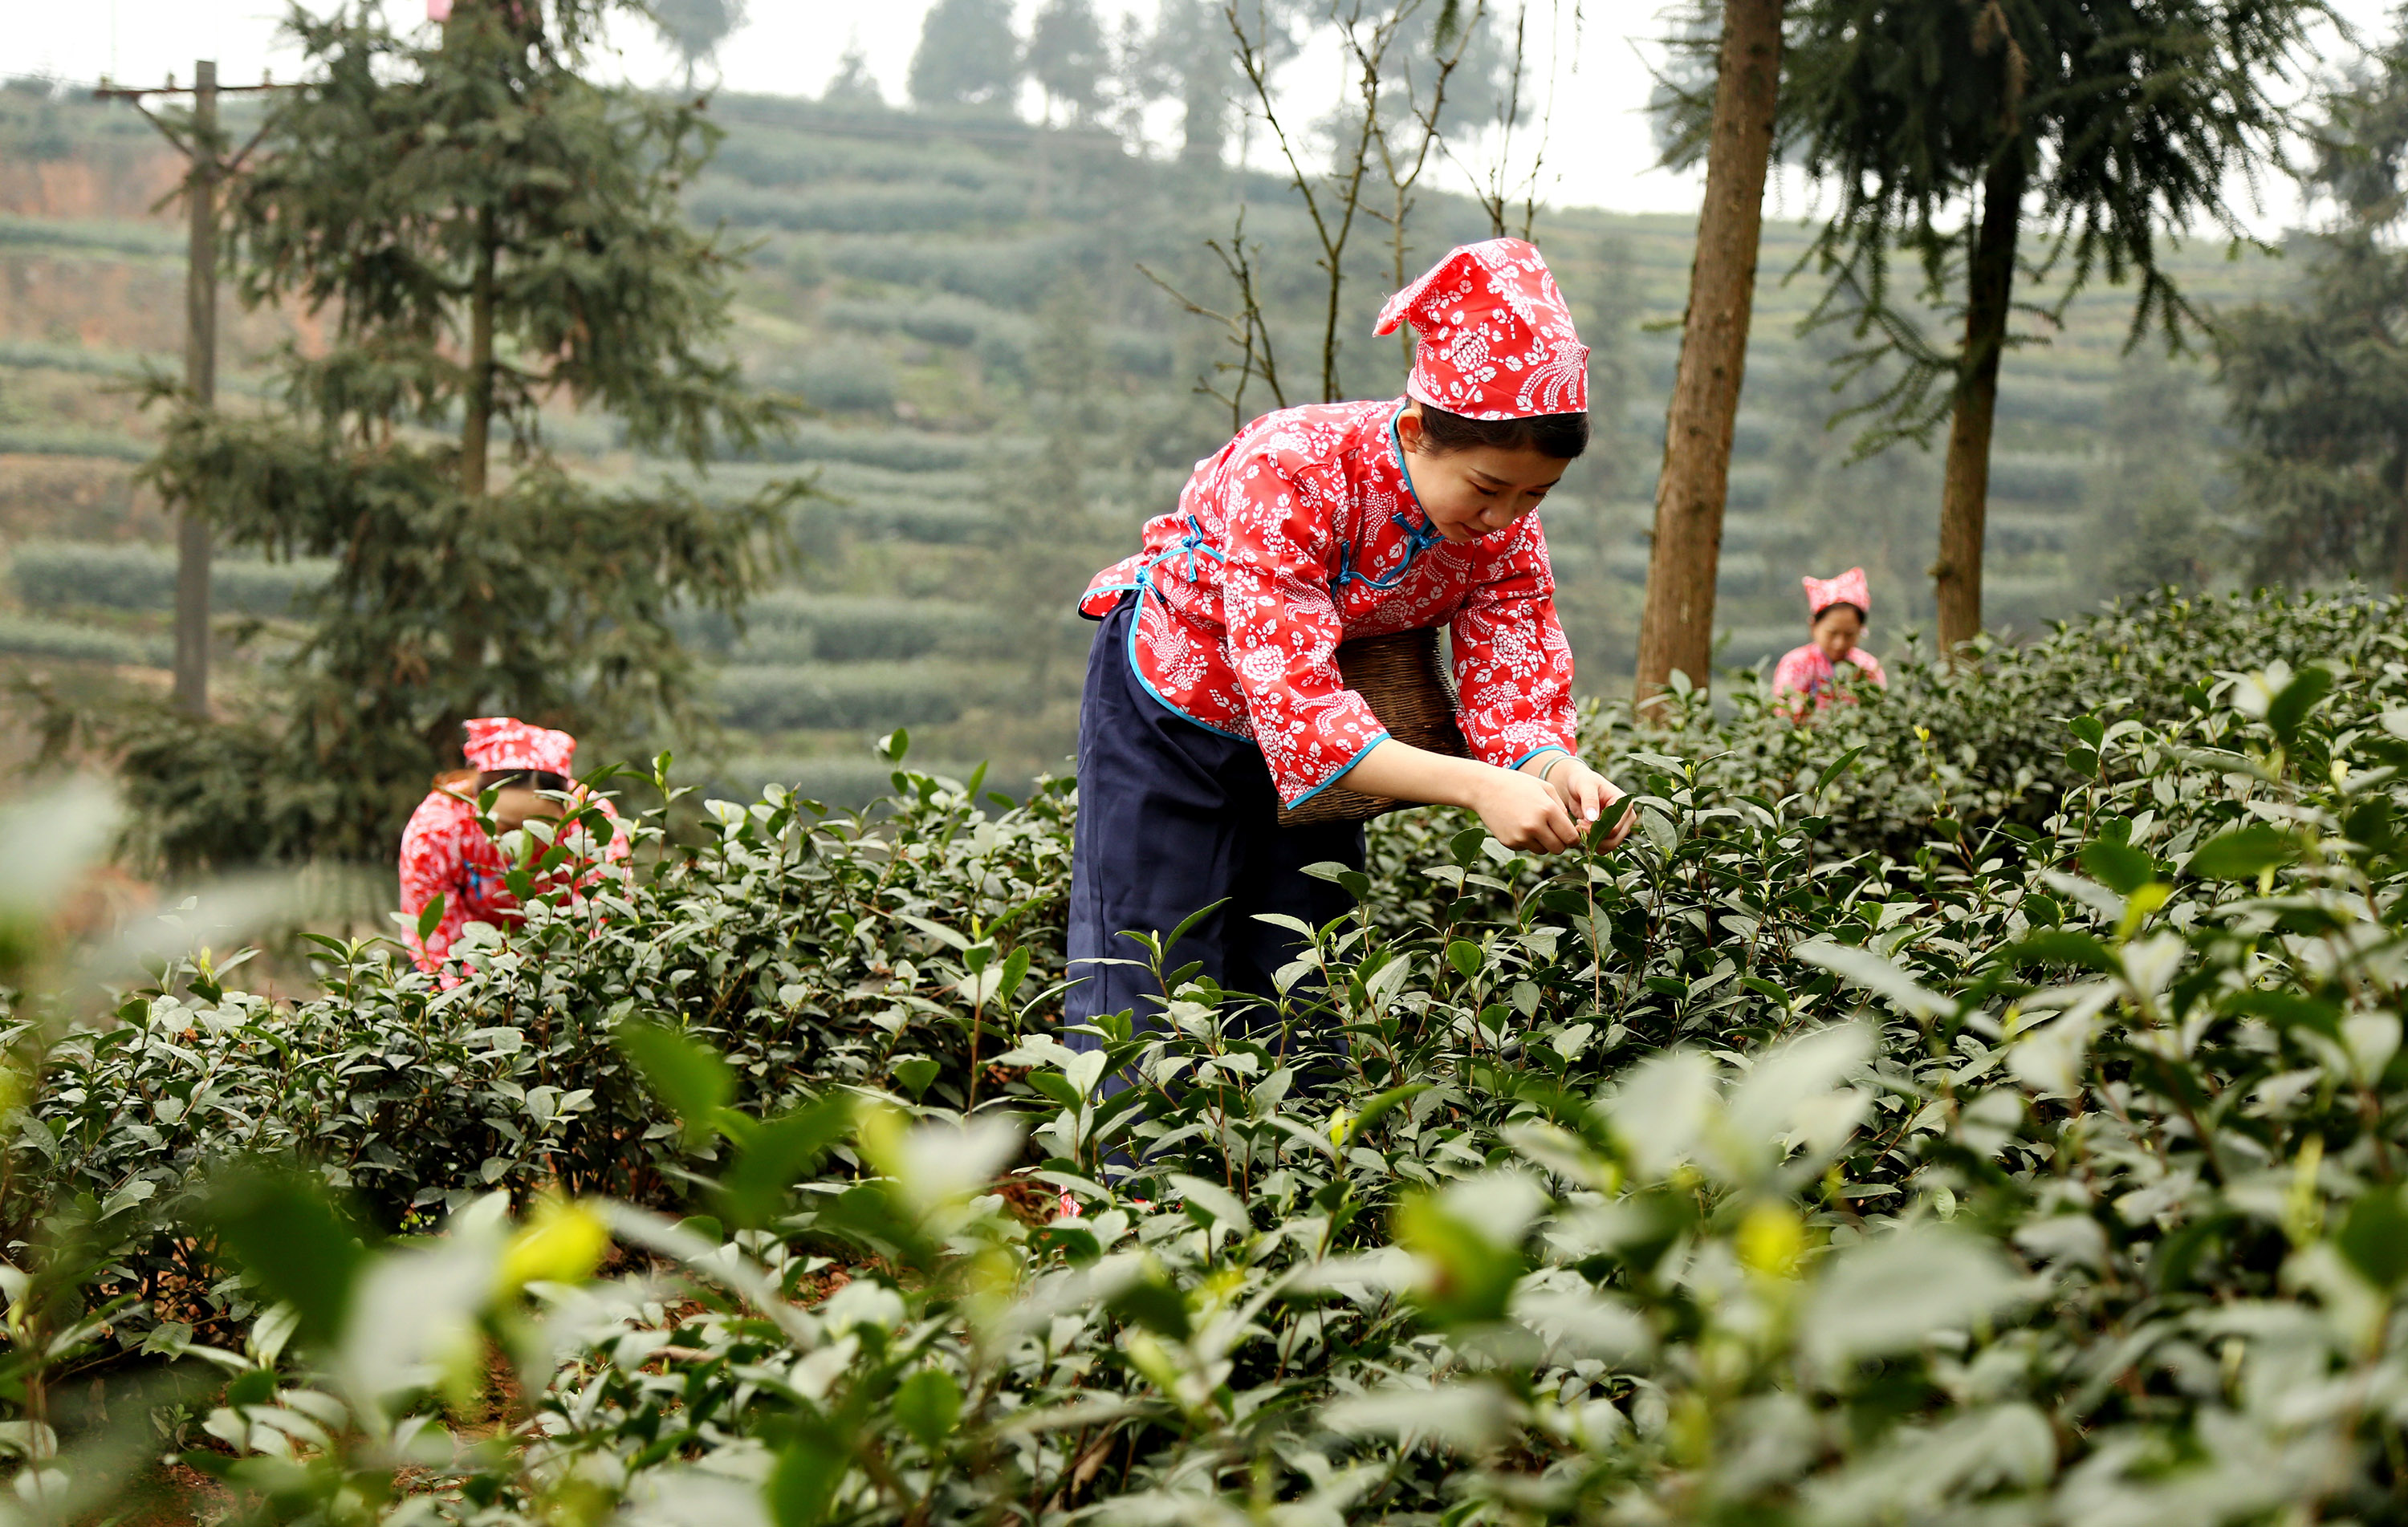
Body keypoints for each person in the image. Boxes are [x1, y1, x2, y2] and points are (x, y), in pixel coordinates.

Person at [1065, 236, 1633, 1046]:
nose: (1505, 518)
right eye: (1487, 487)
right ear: (1415, 428)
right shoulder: (1291, 469)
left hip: (1342, 726)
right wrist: (1478, 788)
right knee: (1152, 960)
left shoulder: (1507, 535)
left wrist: (1556, 772)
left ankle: (1283, 1168)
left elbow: (1513, 691)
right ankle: (1131, 1176)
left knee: (1301, 968)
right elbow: (1297, 707)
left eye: (1535, 494)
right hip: (1177, 705)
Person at [397, 717, 628, 977]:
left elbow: (603, 919)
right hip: (472, 963)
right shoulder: (437, 829)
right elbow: (435, 936)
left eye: (539, 831)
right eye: (507, 829)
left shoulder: (592, 824)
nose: (522, 845)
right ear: (479, 804)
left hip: (564, 962)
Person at [1771, 567, 1889, 719]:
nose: (1839, 643)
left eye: (1849, 634)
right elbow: (1784, 718)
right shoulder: (1795, 664)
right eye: (1832, 633)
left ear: (1861, 630)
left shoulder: (1868, 668)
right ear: (1813, 626)